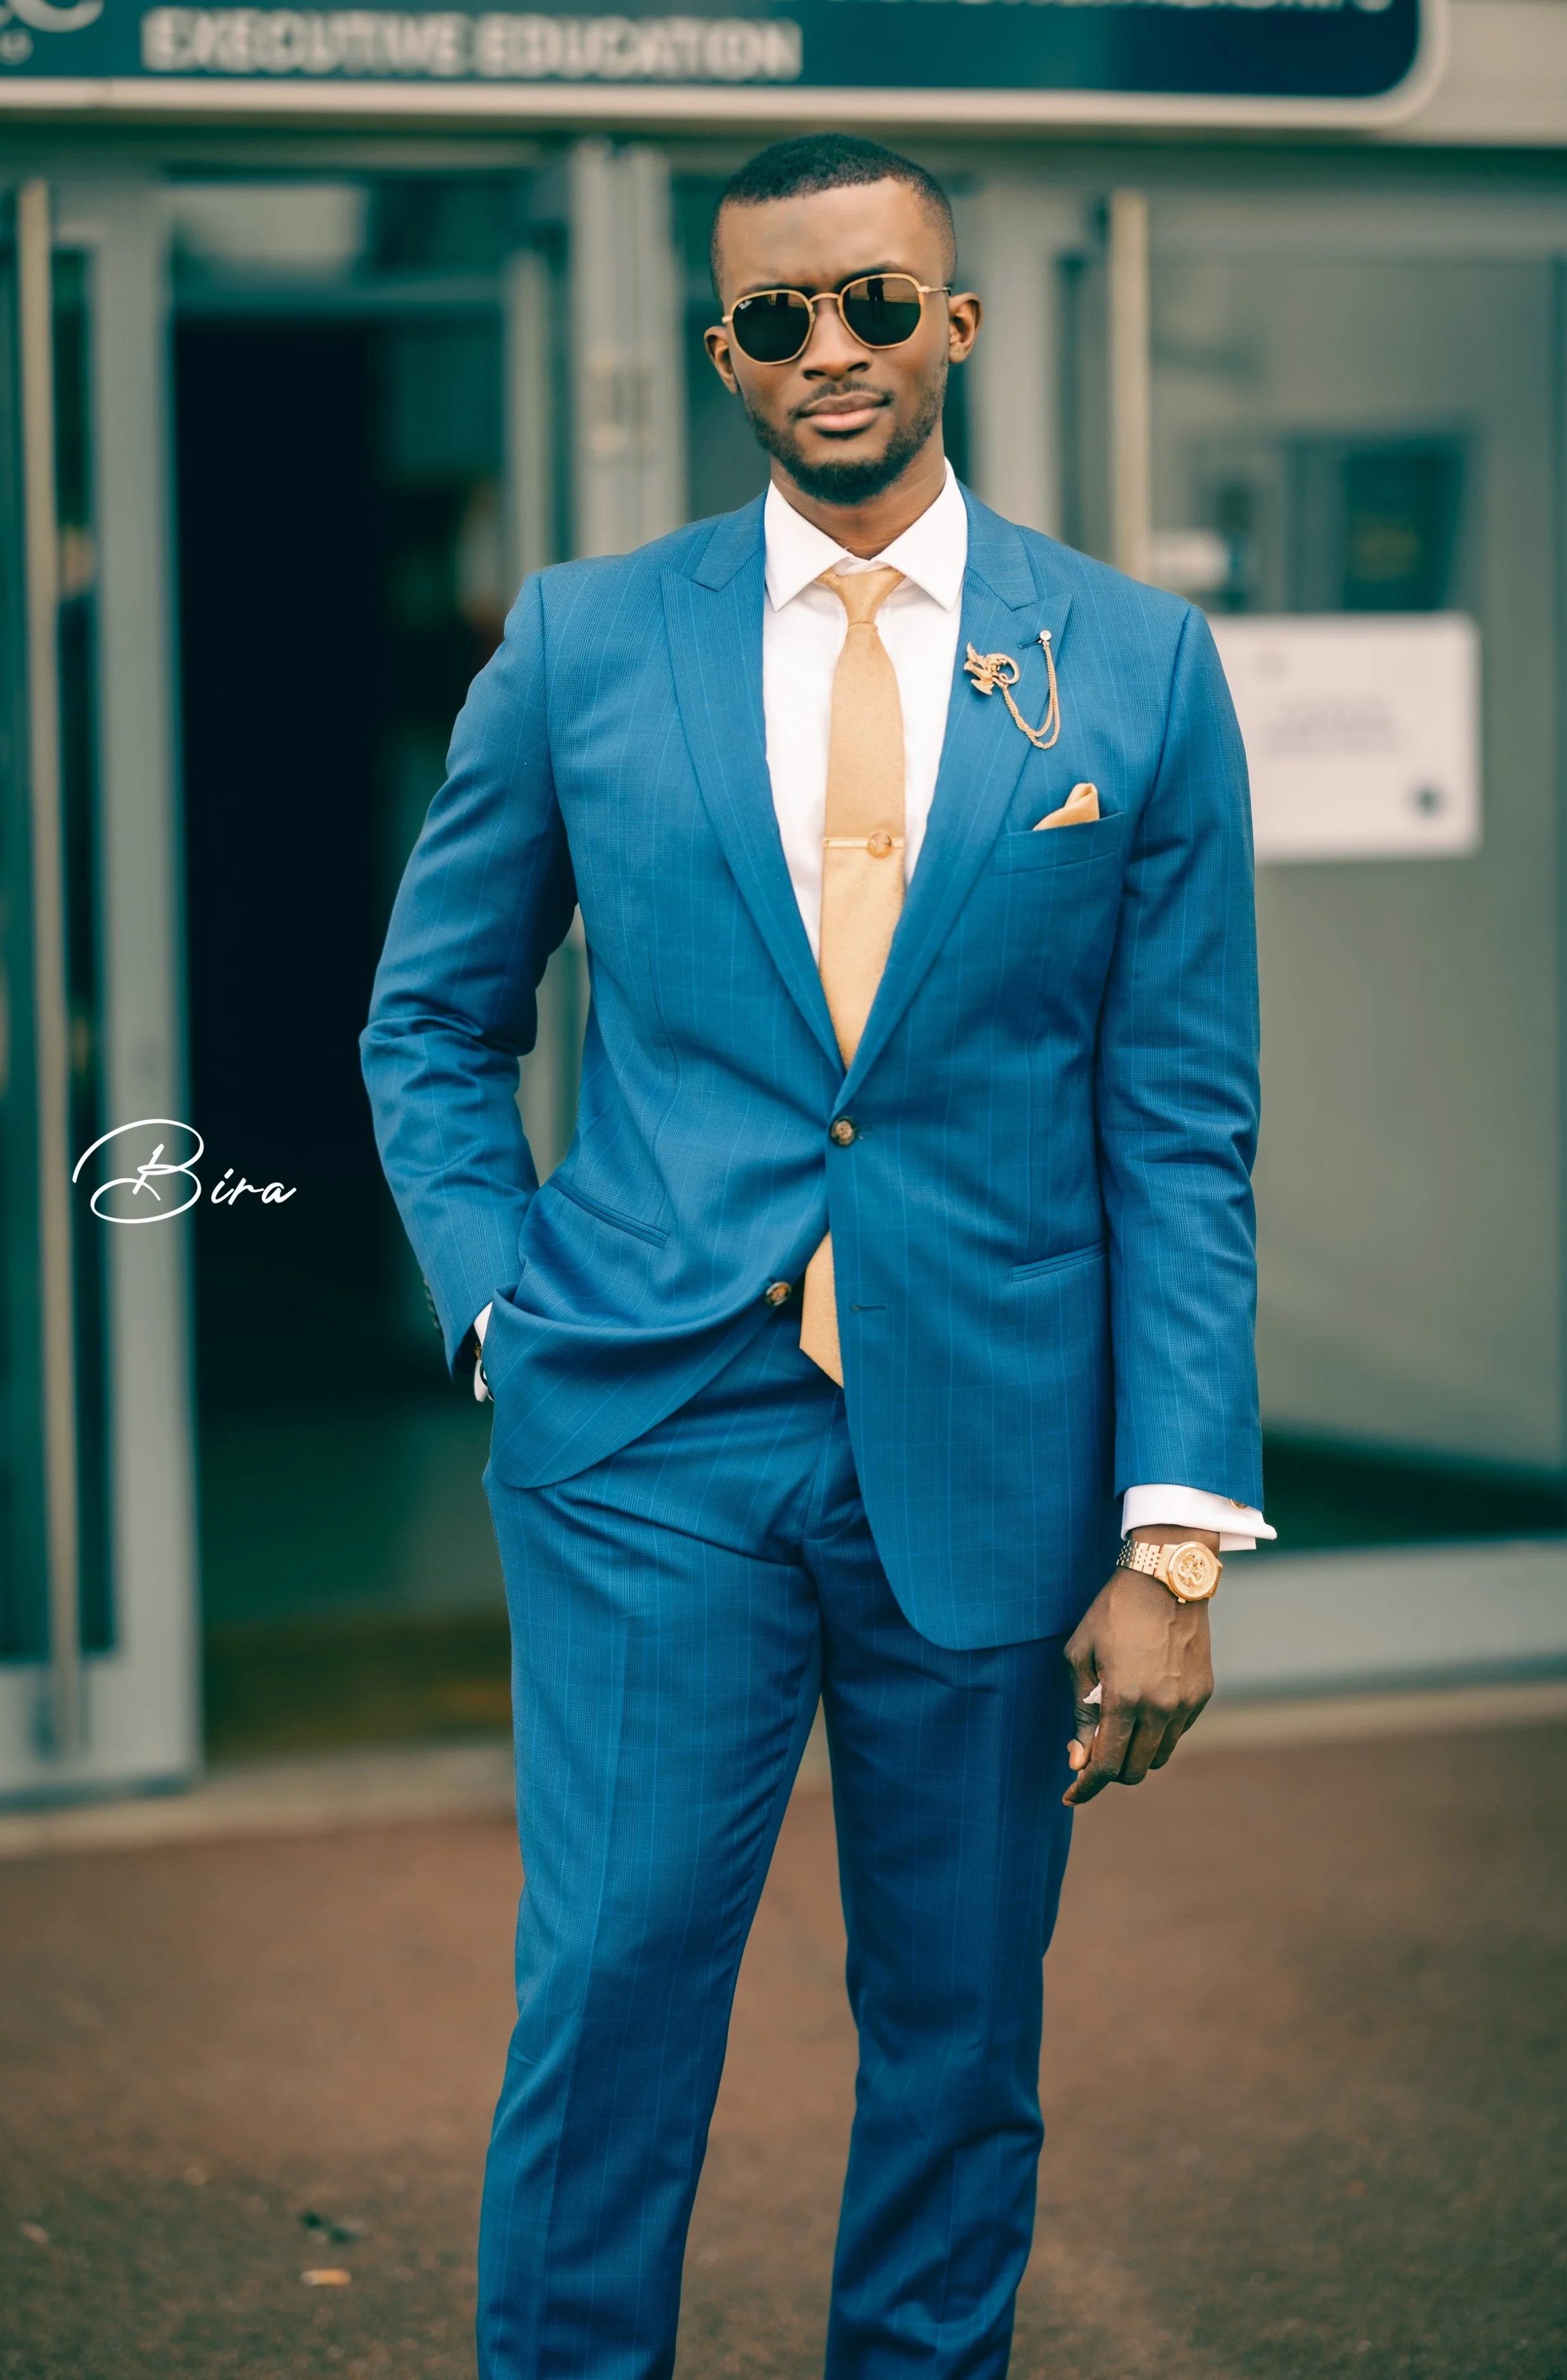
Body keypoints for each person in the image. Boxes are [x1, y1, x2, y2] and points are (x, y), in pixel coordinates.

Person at [362, 131, 1271, 2380]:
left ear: (954, 319)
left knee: (958, 2027)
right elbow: (433, 1019)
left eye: (872, 301)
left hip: (994, 1452)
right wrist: (498, 1305)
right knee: (611, 1993)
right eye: (777, 317)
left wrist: (1173, 1531)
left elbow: (1177, 1123)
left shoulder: (1132, 665)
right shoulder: (584, 644)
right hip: (647, 1432)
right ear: (722, 352)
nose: (829, 348)